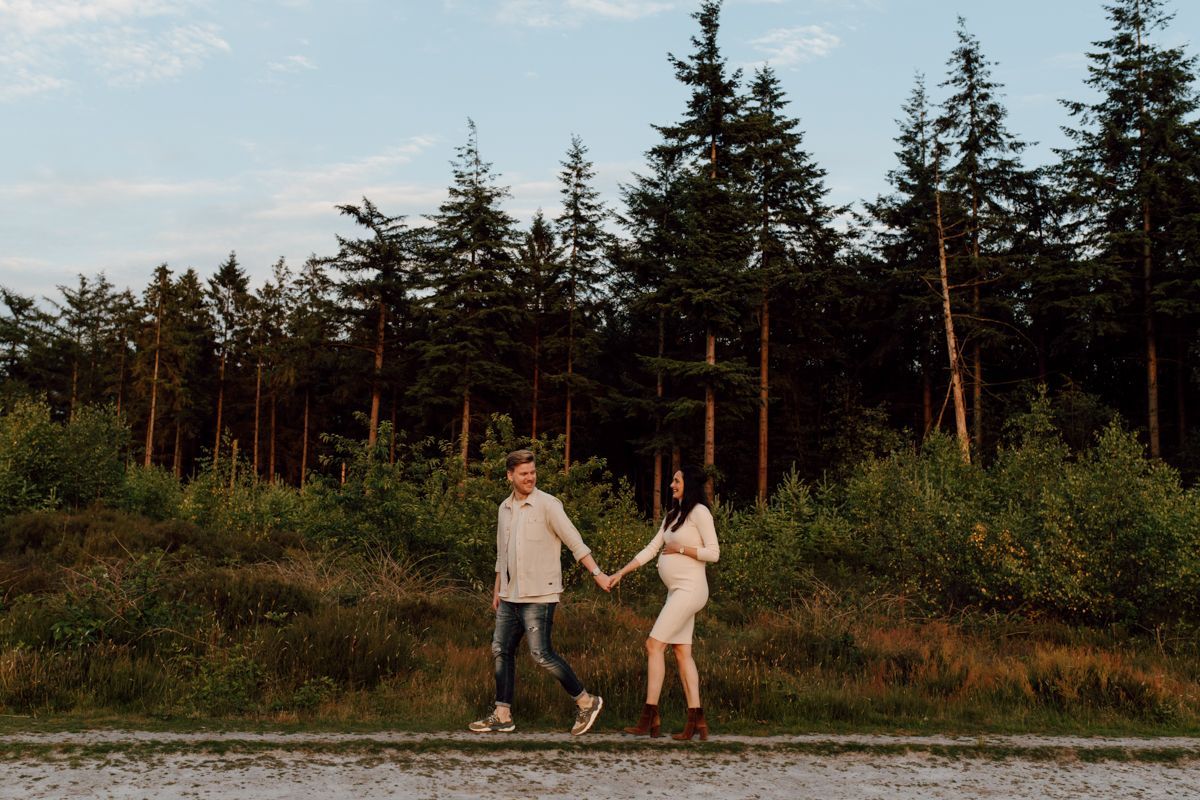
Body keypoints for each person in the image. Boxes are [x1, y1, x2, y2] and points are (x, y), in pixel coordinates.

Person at [469, 448, 609, 736]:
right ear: (510, 476)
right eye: (523, 474)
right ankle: (502, 714)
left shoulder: (548, 505)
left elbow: (575, 542)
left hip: (540, 595)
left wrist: (597, 574)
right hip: (510, 595)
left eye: (532, 472)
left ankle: (587, 701)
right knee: (501, 650)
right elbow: (502, 553)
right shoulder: (503, 508)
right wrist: (498, 589)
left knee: (541, 653)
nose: (529, 478)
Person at [606, 464, 719, 741]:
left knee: (653, 645)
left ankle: (650, 716)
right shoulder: (673, 515)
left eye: (676, 480)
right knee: (681, 652)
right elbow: (652, 548)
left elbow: (714, 553)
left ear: (688, 484)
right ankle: (697, 721)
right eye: (671, 480)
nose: (671, 485)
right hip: (676, 591)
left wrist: (680, 549)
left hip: (691, 590)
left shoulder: (699, 513)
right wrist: (621, 572)